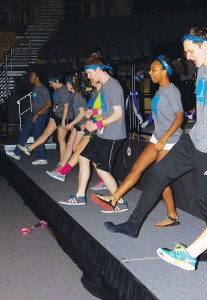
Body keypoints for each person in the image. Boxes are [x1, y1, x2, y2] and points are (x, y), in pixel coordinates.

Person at [103, 27, 207, 272]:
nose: (188, 58)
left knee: (203, 199)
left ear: (204, 43)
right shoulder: (202, 70)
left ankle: (199, 248)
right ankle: (133, 224)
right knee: (159, 173)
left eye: (191, 51)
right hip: (193, 140)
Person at [91, 56, 184, 223]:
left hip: (169, 140)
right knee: (137, 167)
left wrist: (164, 138)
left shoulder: (172, 91)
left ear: (164, 72)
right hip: (158, 136)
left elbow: (179, 118)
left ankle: (172, 216)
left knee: (159, 177)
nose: (150, 73)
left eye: (154, 70)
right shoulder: (160, 91)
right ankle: (114, 198)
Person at [59, 56, 127, 210]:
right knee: (83, 157)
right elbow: (108, 109)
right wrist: (95, 112)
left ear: (98, 69)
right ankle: (80, 196)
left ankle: (119, 201)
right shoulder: (105, 86)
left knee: (102, 170)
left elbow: (118, 114)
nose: (88, 77)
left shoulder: (113, 86)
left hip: (113, 135)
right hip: (104, 132)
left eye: (89, 73)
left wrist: (98, 123)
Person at [17, 72, 71, 162]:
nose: (50, 85)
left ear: (57, 81)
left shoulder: (63, 90)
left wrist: (64, 121)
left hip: (62, 117)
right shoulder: (57, 89)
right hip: (55, 115)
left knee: (61, 140)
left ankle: (62, 163)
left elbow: (66, 106)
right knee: (46, 133)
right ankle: (29, 148)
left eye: (52, 83)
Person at [46, 75, 91, 182]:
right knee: (70, 145)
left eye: (67, 83)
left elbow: (82, 114)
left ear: (70, 84)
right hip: (78, 124)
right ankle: (60, 170)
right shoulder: (75, 94)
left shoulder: (77, 96)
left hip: (81, 124)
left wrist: (71, 124)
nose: (66, 84)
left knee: (76, 148)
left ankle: (64, 171)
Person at [6, 70, 52, 165]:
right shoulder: (35, 87)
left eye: (32, 76)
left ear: (37, 77)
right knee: (24, 132)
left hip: (41, 115)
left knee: (37, 136)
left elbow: (49, 104)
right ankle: (17, 153)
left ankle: (42, 158)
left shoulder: (43, 89)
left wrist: (38, 114)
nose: (30, 77)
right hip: (33, 113)